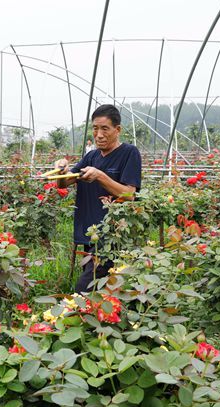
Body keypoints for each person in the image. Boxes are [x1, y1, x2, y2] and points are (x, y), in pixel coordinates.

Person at [55, 105, 142, 294]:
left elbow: (129, 194)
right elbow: (64, 183)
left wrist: (101, 176)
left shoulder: (129, 153)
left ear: (117, 130)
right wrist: (61, 170)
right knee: (99, 291)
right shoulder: (91, 156)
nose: (99, 134)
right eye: (95, 128)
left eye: (105, 128)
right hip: (90, 233)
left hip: (111, 236)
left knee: (84, 290)